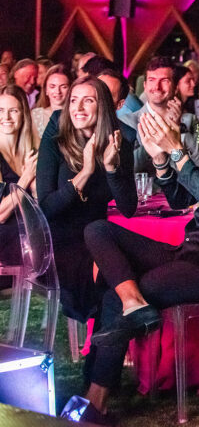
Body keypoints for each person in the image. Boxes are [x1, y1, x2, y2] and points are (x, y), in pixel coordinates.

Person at [67, 73, 199, 424]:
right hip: (190, 252)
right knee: (98, 231)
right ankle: (132, 310)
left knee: (117, 297)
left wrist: (178, 149)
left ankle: (95, 405)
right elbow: (183, 196)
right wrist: (162, 160)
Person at [36, 76, 137, 323]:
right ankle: (108, 335)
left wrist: (111, 167)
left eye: (88, 101)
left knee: (126, 263)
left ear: (102, 107)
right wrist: (86, 171)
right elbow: (46, 207)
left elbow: (128, 208)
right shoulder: (56, 138)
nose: (78, 108)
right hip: (57, 239)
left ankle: (113, 337)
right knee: (105, 274)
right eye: (74, 100)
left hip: (96, 236)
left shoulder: (119, 142)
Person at [119, 56, 199, 172]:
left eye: (164, 81)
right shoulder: (127, 122)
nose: (157, 87)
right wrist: (156, 141)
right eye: (152, 80)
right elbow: (126, 169)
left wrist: (179, 131)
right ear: (145, 86)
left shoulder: (190, 121)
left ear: (176, 88)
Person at [0, 85, 39, 266]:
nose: (6, 117)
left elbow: (40, 202)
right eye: (0, 110)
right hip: (7, 238)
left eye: (13, 111)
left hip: (30, 233)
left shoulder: (32, 151)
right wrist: (25, 179)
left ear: (23, 113)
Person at [31, 64, 71, 138]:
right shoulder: (35, 115)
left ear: (71, 89)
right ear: (46, 90)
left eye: (63, 87)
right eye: (52, 86)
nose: (57, 91)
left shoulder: (77, 115)